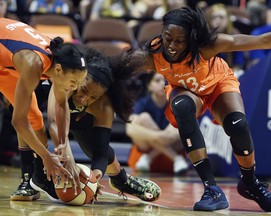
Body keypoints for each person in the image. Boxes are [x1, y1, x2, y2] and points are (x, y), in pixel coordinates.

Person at [111, 6, 271, 212]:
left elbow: (261, 41)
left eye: (180, 40)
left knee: (237, 124)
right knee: (183, 107)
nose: (172, 46)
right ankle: (211, 189)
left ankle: (250, 182)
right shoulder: (153, 54)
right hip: (185, 91)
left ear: (192, 38)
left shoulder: (207, 46)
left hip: (217, 83)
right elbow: (116, 68)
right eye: (168, 38)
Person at [12, 47, 161, 202]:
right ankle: (29, 179)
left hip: (78, 118)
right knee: (31, 119)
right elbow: (54, 123)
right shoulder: (67, 83)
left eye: (93, 97)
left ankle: (121, 180)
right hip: (39, 98)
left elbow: (101, 152)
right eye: (83, 90)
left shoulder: (103, 105)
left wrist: (94, 176)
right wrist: (68, 159)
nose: (84, 99)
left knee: (100, 151)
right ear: (79, 78)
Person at [0, 18, 87, 201]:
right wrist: (47, 157)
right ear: (57, 70)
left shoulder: (59, 60)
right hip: (8, 52)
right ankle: (39, 172)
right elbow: (18, 121)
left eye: (78, 83)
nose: (74, 87)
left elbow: (61, 105)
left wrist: (64, 148)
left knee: (34, 118)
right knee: (25, 118)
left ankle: (33, 180)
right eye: (73, 82)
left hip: (5, 60)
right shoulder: (34, 64)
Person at [126, 72, 189, 175]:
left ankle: (148, 157)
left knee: (179, 121)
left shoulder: (176, 102)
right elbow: (129, 129)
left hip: (171, 146)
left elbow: (185, 128)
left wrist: (161, 137)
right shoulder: (142, 103)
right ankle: (176, 159)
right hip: (152, 149)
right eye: (157, 80)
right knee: (143, 118)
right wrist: (159, 136)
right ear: (149, 86)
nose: (162, 84)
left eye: (165, 81)